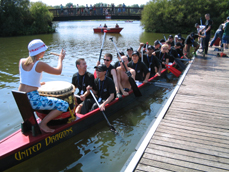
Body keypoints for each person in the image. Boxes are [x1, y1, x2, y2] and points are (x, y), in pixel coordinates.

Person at [19, 39, 67, 133]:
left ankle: (29, 123)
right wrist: (60, 59)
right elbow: (58, 71)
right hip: (33, 100)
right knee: (63, 105)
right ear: (39, 52)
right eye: (43, 50)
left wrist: (38, 84)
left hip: (21, 99)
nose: (44, 52)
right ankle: (43, 124)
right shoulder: (39, 64)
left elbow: (26, 78)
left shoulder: (21, 61)